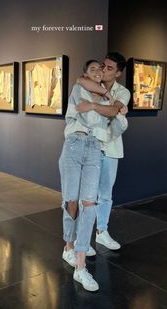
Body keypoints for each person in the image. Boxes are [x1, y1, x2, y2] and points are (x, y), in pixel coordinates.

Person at [59, 60, 127, 291]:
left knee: (90, 204)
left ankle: (80, 267)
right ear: (86, 74)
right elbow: (87, 118)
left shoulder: (108, 97)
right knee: (72, 202)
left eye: (101, 69)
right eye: (93, 69)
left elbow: (115, 129)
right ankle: (68, 246)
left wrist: (114, 112)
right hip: (74, 144)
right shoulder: (78, 90)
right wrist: (108, 109)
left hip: (96, 149)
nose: (99, 72)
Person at [76, 52, 130, 250]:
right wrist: (107, 109)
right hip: (90, 146)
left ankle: (102, 232)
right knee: (86, 195)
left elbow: (113, 111)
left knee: (105, 194)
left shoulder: (123, 92)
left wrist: (91, 106)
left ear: (118, 73)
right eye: (102, 66)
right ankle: (83, 238)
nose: (103, 71)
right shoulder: (86, 85)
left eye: (109, 68)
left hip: (111, 148)